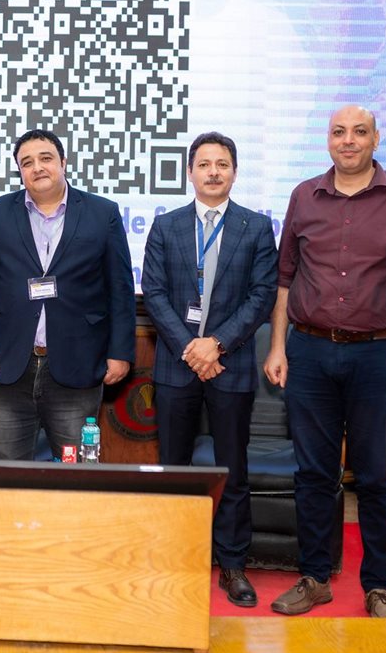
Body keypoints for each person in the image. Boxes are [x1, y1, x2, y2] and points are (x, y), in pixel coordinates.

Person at [263, 105, 386, 618]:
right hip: (309, 352)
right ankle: (314, 577)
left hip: (380, 355)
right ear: (328, 140)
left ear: (376, 139)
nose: (348, 141)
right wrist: (277, 346)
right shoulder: (304, 196)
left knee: (375, 477)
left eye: (359, 132)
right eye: (339, 132)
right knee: (313, 474)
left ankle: (378, 586)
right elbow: (285, 280)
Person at [140, 131, 277, 608]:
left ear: (234, 172)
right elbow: (154, 292)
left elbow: (262, 295)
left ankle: (233, 564)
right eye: (204, 164)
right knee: (173, 469)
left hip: (230, 364)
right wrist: (190, 348)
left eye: (222, 164)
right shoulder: (166, 226)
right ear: (190, 172)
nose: (213, 172)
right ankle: (175, 559)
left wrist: (215, 345)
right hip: (177, 365)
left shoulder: (256, 227)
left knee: (231, 470)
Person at [0, 129, 135, 460]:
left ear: (63, 162)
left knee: (77, 472)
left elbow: (120, 289)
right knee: (8, 470)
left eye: (45, 158)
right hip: (6, 365)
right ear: (19, 171)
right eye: (27, 162)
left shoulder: (103, 213)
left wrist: (120, 352)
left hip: (78, 362)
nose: (37, 167)